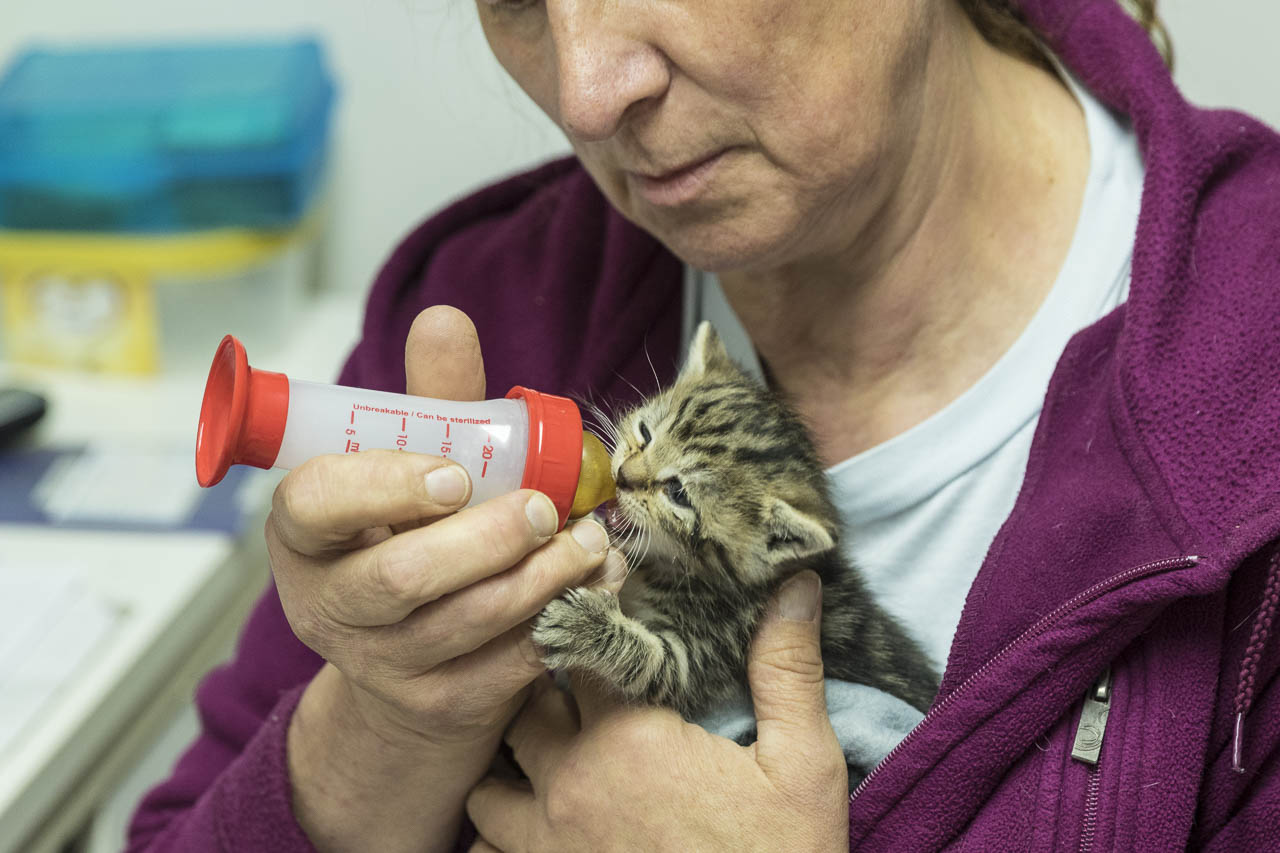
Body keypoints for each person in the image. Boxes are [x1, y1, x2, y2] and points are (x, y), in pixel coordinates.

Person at [128, 0, 1280, 849]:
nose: (587, 93)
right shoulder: (487, 315)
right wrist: (389, 724)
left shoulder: (1250, 407)